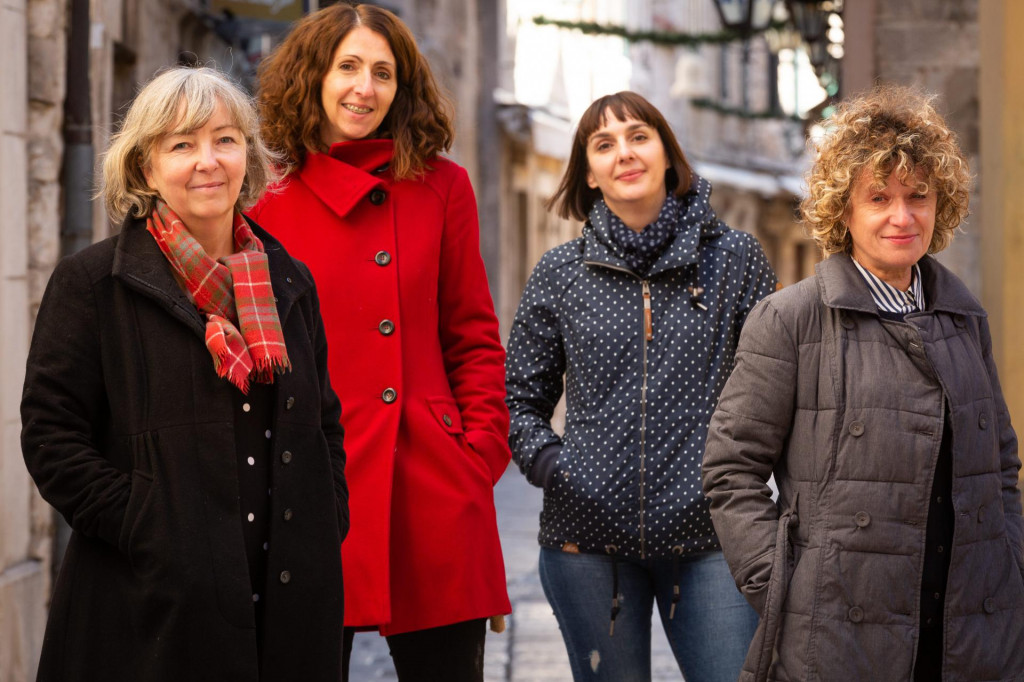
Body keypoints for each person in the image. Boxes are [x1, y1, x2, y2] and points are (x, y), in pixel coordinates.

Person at [20, 66, 348, 681]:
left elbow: (323, 424)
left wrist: (326, 514)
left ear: (247, 157)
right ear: (146, 168)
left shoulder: (289, 281)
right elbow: (51, 437)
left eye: (225, 139)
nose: (208, 161)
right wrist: (150, 530)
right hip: (149, 612)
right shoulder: (92, 285)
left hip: (288, 605)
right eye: (181, 144)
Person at [702, 84, 1024, 682]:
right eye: (879, 198)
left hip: (972, 634)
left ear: (940, 204)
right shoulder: (790, 320)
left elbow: (999, 465)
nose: (902, 217)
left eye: (918, 196)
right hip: (841, 639)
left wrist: (1011, 567)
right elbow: (731, 469)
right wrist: (788, 592)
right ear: (843, 211)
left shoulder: (963, 316)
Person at [252, 3, 511, 680]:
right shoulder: (263, 198)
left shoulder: (442, 187)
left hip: (430, 485)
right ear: (312, 75)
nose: (365, 88)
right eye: (347, 67)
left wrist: (478, 453)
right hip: (306, 488)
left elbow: (472, 334)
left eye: (383, 73)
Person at [505, 91, 775, 682]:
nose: (623, 153)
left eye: (638, 136)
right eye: (604, 145)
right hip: (587, 544)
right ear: (591, 174)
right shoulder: (561, 273)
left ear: (667, 154)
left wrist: (752, 490)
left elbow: (774, 391)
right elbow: (519, 400)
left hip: (712, 534)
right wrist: (558, 469)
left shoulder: (735, 260)